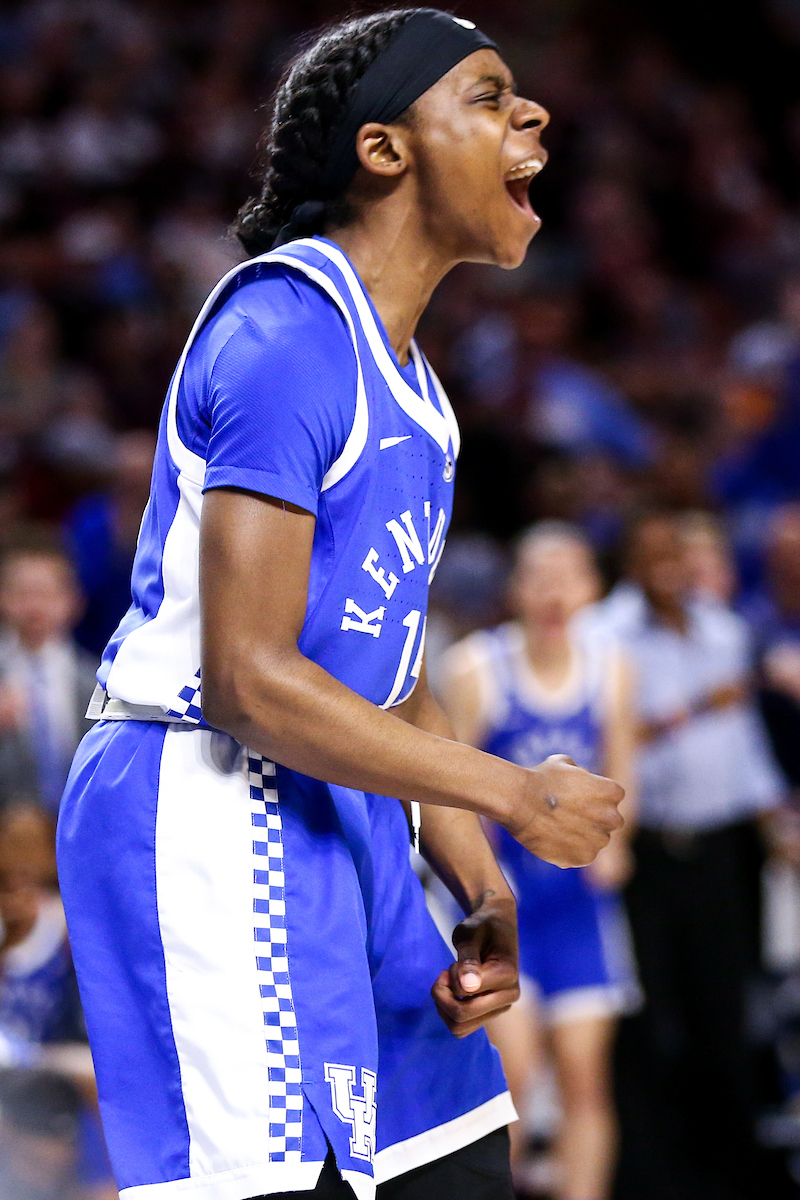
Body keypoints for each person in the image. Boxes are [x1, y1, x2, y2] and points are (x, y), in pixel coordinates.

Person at [56, 12, 625, 1200]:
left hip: (339, 804)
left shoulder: (419, 394)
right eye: (487, 95)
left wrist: (483, 887)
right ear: (384, 149)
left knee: (454, 1161)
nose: (531, 114)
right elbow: (249, 681)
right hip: (202, 794)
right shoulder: (284, 336)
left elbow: (392, 682)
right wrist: (512, 792)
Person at [440, 523, 637, 1200]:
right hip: (500, 900)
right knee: (512, 1076)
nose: (555, 592)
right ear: (515, 589)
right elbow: (446, 790)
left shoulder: (611, 665)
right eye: (539, 577)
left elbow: (623, 777)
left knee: (586, 1080)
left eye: (569, 576)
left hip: (578, 905)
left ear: (593, 588)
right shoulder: (476, 667)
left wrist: (618, 847)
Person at [600, 511, 785, 1200]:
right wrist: (697, 706)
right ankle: (653, 1176)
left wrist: (775, 823)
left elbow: (745, 743)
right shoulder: (605, 638)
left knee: (725, 1009)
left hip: (721, 848)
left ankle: (735, 1171)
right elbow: (609, 741)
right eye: (652, 554)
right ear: (630, 562)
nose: (668, 566)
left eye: (676, 552)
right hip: (642, 851)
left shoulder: (725, 630)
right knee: (646, 1017)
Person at [0, 539, 98, 815]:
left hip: (76, 820)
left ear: (73, 600)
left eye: (45, 593)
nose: (34, 606)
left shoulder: (100, 681)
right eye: (22, 593)